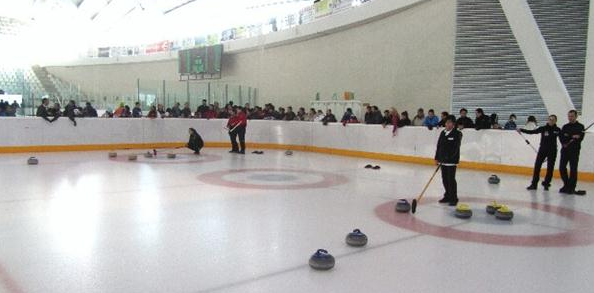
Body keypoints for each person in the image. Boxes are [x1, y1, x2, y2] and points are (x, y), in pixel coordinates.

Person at [519, 115, 560, 190]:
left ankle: (547, 183)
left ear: (555, 121)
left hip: (553, 151)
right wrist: (521, 130)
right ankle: (534, 184)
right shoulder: (543, 128)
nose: (551, 121)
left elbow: (563, 137)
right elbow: (532, 132)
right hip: (542, 150)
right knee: (537, 166)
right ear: (548, 120)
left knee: (550, 168)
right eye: (550, 119)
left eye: (553, 120)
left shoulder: (557, 130)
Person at [435, 115, 462, 206]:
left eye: (449, 122)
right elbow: (439, 146)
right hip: (442, 161)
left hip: (451, 161)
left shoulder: (457, 134)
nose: (447, 124)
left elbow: (455, 148)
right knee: (444, 179)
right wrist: (437, 157)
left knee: (451, 180)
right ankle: (447, 195)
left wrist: (448, 157)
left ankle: (453, 198)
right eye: (446, 122)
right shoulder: (443, 132)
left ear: (453, 124)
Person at [558, 110, 585, 195]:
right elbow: (562, 137)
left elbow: (580, 138)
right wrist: (565, 142)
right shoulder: (565, 126)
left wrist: (575, 136)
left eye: (572, 116)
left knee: (573, 169)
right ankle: (566, 185)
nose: (570, 118)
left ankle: (572, 187)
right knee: (562, 168)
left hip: (574, 151)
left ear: (576, 116)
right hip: (565, 150)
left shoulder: (580, 127)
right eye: (569, 116)